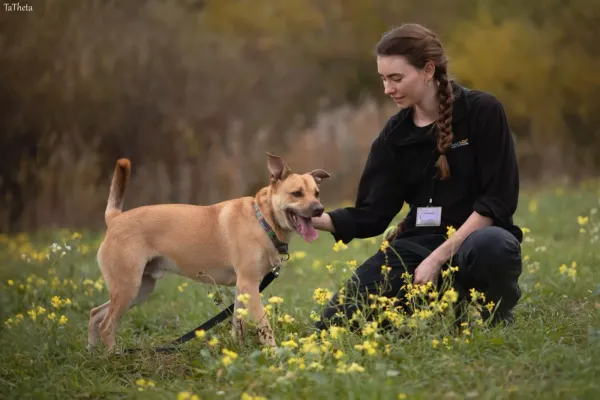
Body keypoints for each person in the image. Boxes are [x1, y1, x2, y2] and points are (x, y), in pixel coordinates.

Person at [311, 23, 523, 330]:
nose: (387, 89)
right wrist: (309, 216)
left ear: (427, 70)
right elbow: (373, 213)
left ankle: (494, 312)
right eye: (383, 79)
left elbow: (496, 202)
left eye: (396, 78)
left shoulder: (483, 111)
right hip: (416, 244)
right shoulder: (394, 136)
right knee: (335, 324)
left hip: (474, 242)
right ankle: (435, 307)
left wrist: (437, 260)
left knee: (493, 246)